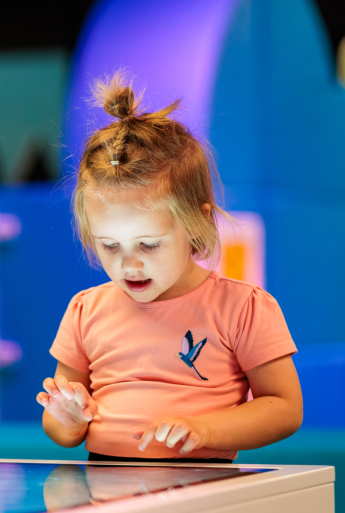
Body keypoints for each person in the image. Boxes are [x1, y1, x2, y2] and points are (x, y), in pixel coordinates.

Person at [37, 74, 302, 463]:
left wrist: (207, 429)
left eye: (149, 244)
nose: (129, 263)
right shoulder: (85, 312)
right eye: (109, 245)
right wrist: (68, 417)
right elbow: (60, 430)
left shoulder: (243, 308)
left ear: (197, 222)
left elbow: (284, 407)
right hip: (105, 501)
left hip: (203, 502)